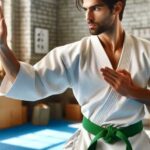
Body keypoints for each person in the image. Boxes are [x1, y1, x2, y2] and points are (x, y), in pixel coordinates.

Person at [0, 0, 150, 149]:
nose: (88, 17)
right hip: (90, 143)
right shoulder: (73, 54)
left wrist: (133, 92)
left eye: (96, 8)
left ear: (117, 7)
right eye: (86, 10)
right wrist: (3, 47)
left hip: (136, 144)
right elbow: (32, 81)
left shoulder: (146, 51)